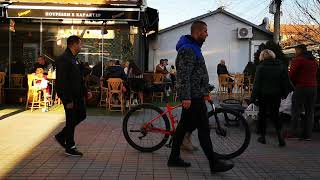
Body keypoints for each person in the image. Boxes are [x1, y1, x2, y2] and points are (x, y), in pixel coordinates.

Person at [167, 20, 234, 173]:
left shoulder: (194, 48)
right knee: (203, 129)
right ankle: (213, 163)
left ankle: (174, 158)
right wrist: (186, 97)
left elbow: (196, 74)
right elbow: (184, 75)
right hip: (193, 97)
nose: (207, 34)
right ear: (197, 32)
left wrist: (205, 89)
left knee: (183, 127)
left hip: (196, 95)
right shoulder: (188, 49)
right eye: (205, 31)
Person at [54, 35, 92, 156]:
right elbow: (61, 81)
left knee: (81, 115)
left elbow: (79, 78)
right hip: (70, 96)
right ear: (74, 44)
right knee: (71, 120)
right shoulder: (63, 59)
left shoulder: (74, 59)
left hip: (78, 95)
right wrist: (66, 99)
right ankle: (70, 146)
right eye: (80, 44)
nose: (81, 46)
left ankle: (61, 136)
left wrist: (86, 91)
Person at [251, 49, 290, 147]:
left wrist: (253, 97)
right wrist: (284, 93)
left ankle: (263, 137)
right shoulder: (281, 66)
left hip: (263, 95)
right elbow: (285, 81)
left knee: (262, 115)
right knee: (275, 115)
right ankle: (280, 137)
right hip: (276, 94)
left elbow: (257, 84)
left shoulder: (261, 67)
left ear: (262, 56)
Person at [288, 44, 317, 141]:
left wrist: (293, 84)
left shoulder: (298, 60)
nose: (295, 52)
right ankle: (307, 135)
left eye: (296, 50)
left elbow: (291, 74)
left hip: (301, 87)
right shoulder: (314, 61)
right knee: (310, 112)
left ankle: (294, 133)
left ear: (300, 50)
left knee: (296, 110)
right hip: (313, 88)